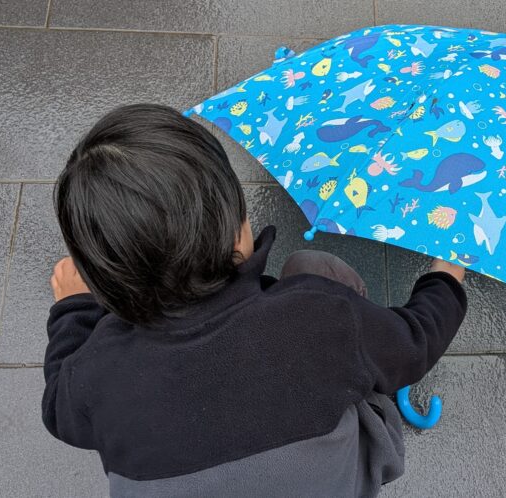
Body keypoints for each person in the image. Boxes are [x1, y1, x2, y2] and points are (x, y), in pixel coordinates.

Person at [43, 103, 467, 498]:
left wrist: (72, 310)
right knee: (310, 264)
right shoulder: (320, 315)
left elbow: (59, 412)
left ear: (100, 277)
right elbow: (416, 341)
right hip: (344, 483)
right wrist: (447, 274)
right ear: (237, 235)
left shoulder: (94, 376)